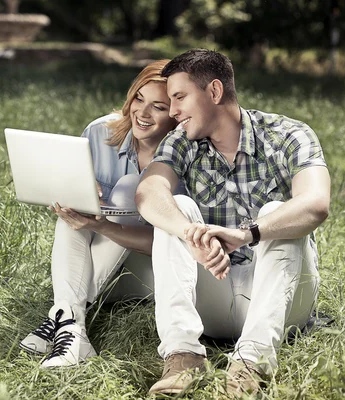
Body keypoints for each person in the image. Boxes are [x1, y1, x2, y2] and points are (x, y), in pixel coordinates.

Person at [135, 49, 331, 397]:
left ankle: (251, 364)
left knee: (276, 211)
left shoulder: (289, 135)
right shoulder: (182, 141)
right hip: (215, 293)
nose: (174, 112)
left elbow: (316, 204)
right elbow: (149, 193)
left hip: (282, 300)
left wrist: (246, 234)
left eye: (180, 97)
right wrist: (190, 234)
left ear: (214, 91)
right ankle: (183, 357)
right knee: (175, 207)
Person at [19, 60, 178, 368]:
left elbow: (169, 243)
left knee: (130, 188)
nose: (142, 114)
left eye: (158, 107)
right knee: (72, 212)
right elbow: (74, 208)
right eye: (138, 99)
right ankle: (71, 325)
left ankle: (63, 316)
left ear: (176, 115)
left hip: (147, 271)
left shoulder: (186, 154)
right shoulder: (98, 133)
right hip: (94, 268)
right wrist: (73, 192)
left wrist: (103, 225)